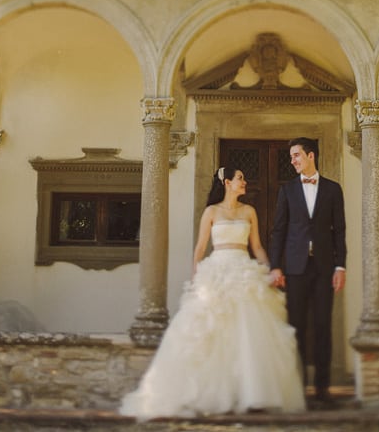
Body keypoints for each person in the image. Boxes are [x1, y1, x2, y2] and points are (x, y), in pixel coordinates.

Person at [120, 165, 305, 419]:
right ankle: (209, 394)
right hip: (216, 271)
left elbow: (258, 246)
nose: (244, 182)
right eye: (240, 178)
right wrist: (196, 279)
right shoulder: (211, 212)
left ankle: (250, 393)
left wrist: (271, 269)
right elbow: (199, 249)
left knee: (248, 331)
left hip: (243, 271)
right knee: (210, 332)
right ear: (227, 182)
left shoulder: (249, 211)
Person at [269, 137, 347, 407]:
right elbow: (279, 230)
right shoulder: (287, 190)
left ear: (310, 155)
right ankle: (298, 389)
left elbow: (340, 230)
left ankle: (323, 390)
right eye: (291, 156)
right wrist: (276, 265)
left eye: (296, 155)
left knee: (324, 326)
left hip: (325, 267)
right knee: (297, 327)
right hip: (295, 268)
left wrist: (340, 266)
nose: (292, 161)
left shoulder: (333, 190)